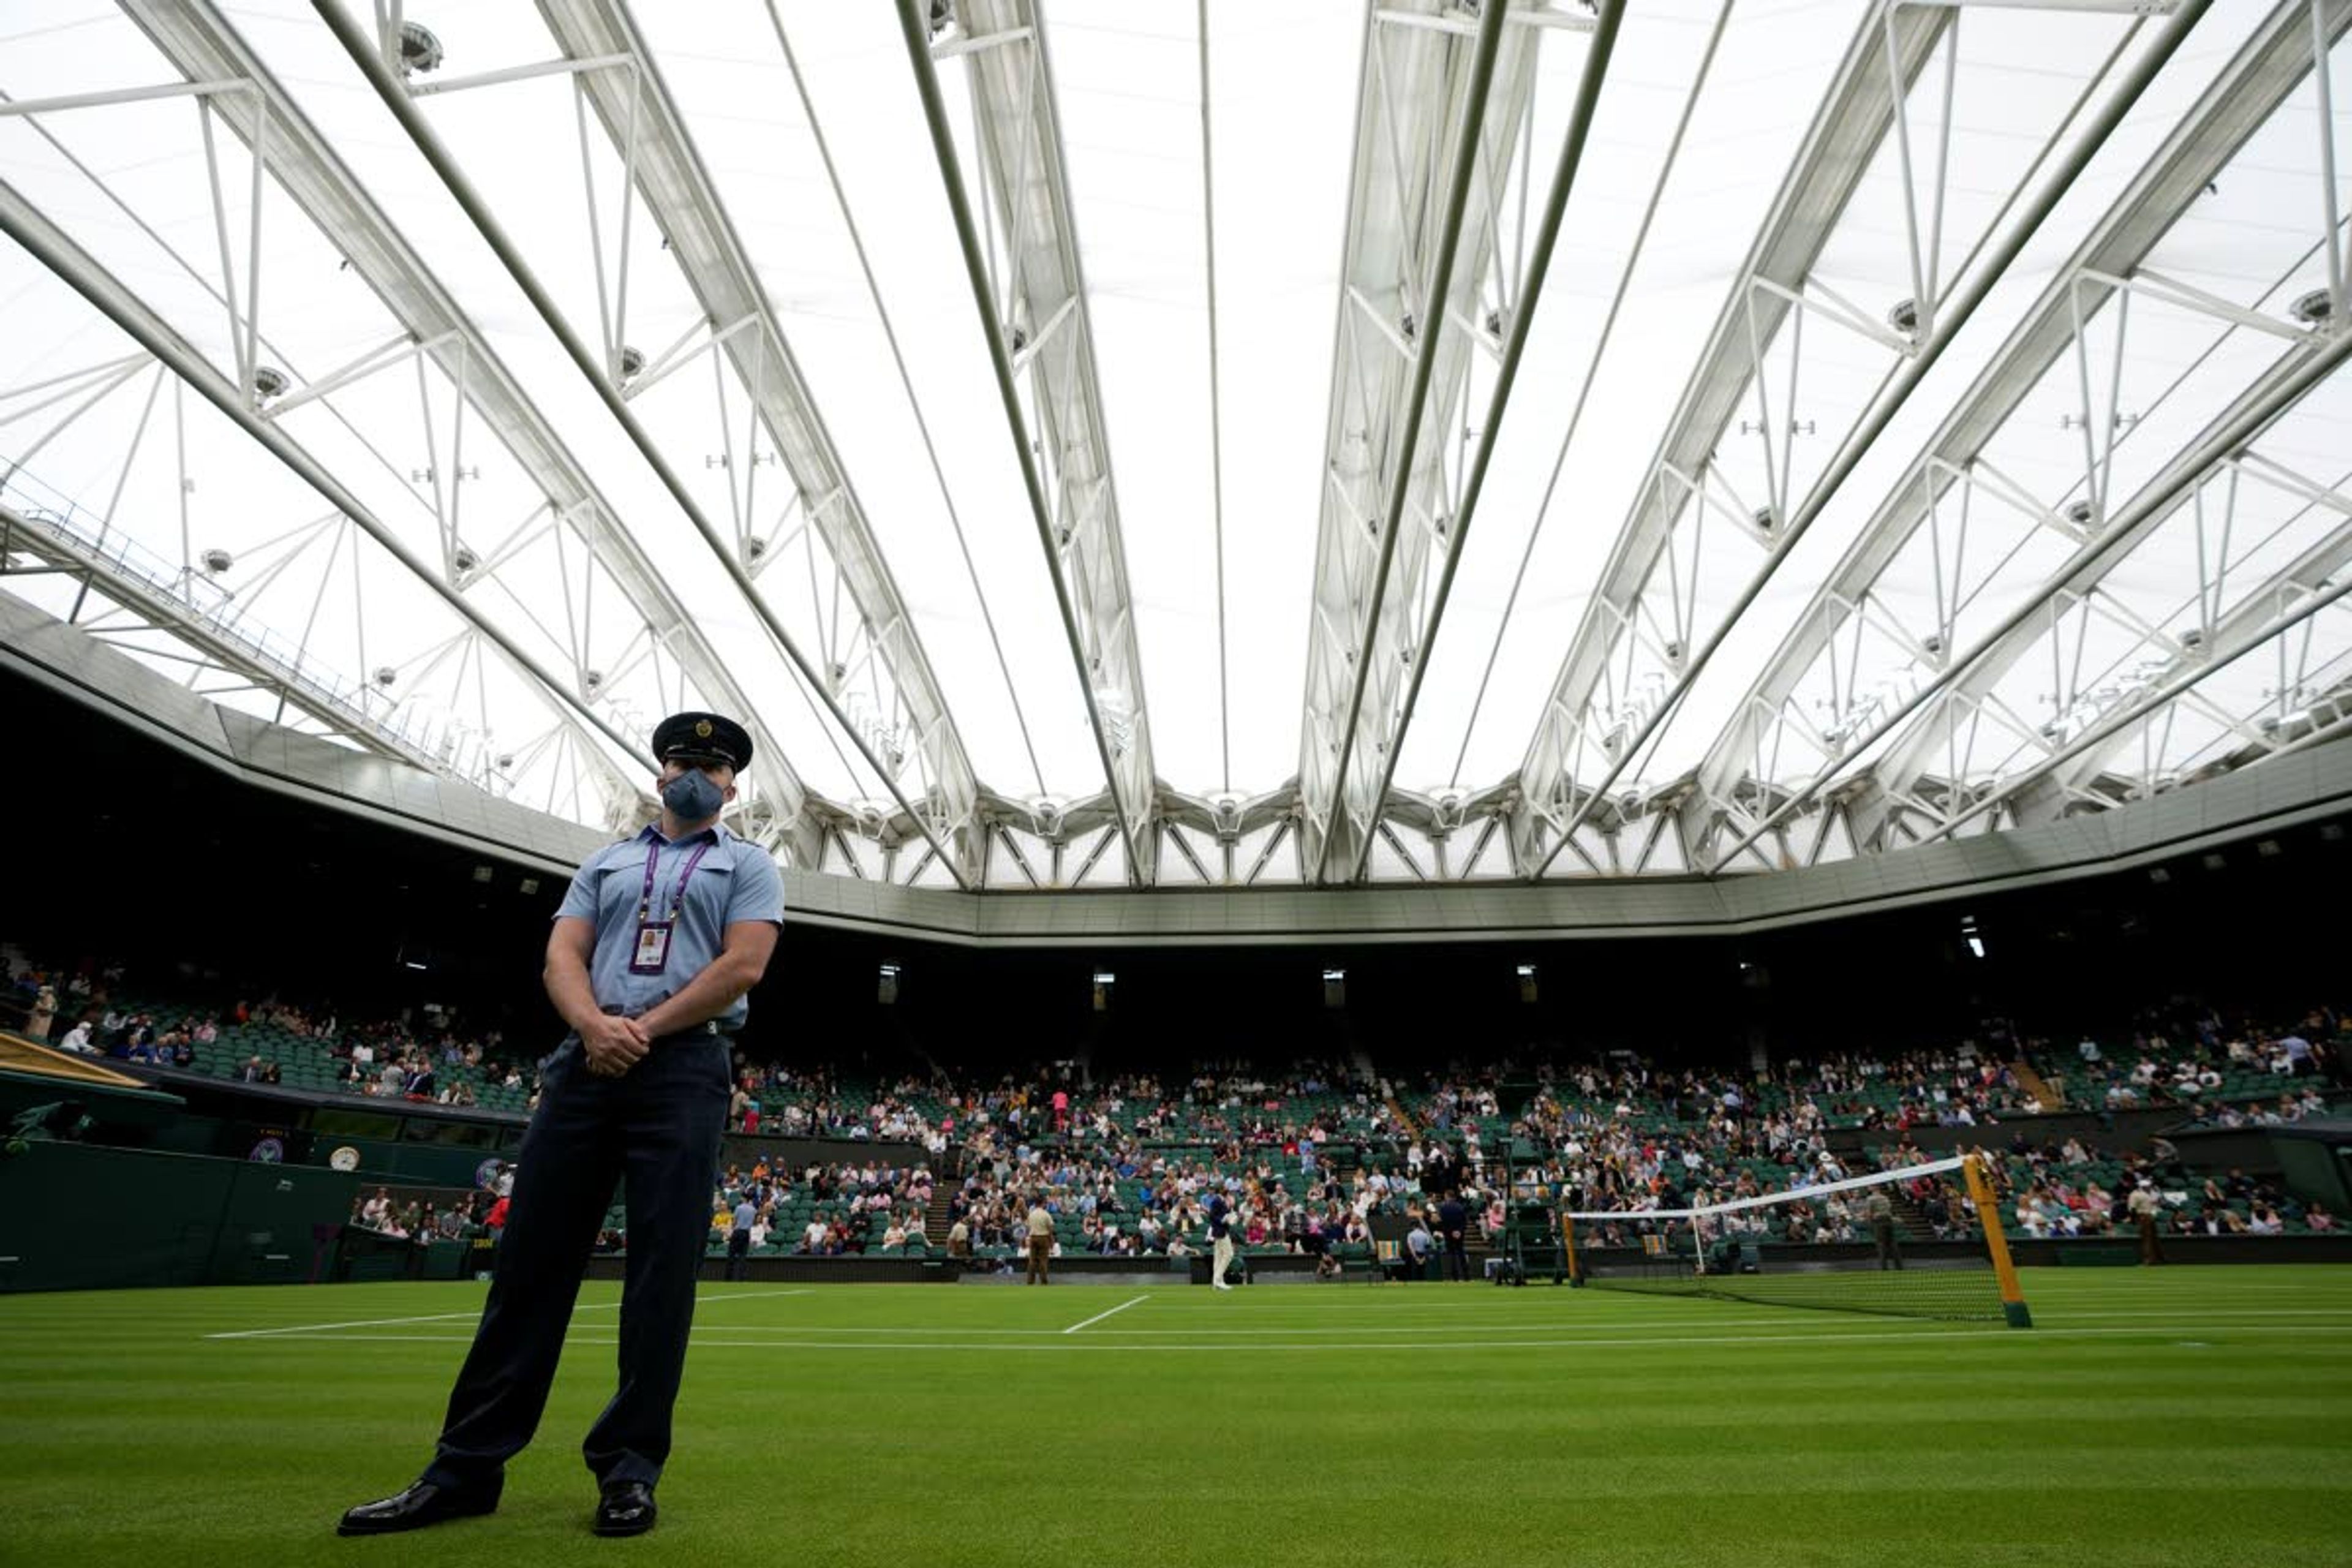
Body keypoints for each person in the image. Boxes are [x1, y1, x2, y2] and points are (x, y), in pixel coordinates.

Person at [340, 712, 782, 1540]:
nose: (695, 774)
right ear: (660, 775)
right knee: (530, 1268)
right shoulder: (605, 862)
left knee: (661, 1280)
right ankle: (465, 1469)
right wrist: (594, 1030)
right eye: (682, 760)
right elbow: (561, 959)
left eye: (710, 766)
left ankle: (628, 1472)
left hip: (684, 1067)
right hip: (585, 1066)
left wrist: (640, 1032)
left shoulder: (748, 865)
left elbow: (743, 967)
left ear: (732, 786)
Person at [1863, 1188, 1902, 1270]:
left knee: (1881, 1245)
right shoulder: (1885, 1198)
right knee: (1893, 1244)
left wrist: (1870, 1222)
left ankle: (1884, 1268)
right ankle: (1899, 1266)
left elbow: (1869, 1213)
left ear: (1872, 1190)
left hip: (1879, 1222)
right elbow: (1889, 1210)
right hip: (1888, 1221)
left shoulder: (1870, 1199)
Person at [1437, 1191, 1470, 1282]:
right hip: (1459, 1234)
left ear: (1447, 1196)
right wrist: (1459, 1231)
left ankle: (1455, 1277)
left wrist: (1451, 1232)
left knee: (1452, 1254)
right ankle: (1466, 1276)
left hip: (1449, 1234)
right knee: (1461, 1253)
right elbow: (1465, 1221)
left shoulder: (1443, 1208)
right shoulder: (1460, 1207)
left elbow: (1443, 1222)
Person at [725, 1192, 757, 1283]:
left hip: (738, 1232)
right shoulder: (753, 1210)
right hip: (746, 1233)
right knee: (743, 1256)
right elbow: (754, 1223)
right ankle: (742, 1277)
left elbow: (734, 1222)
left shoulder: (739, 1208)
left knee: (731, 1255)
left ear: (744, 1199)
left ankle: (728, 1277)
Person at [2128, 1182, 2163, 1264]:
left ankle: (2153, 1259)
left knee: (2150, 1239)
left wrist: (2133, 1220)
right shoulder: (2139, 1195)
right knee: (2149, 1239)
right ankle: (2152, 1259)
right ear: (2143, 1187)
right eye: (2147, 1186)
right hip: (2146, 1217)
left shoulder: (2141, 1195)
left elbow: (2134, 1209)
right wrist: (2134, 1220)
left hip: (2146, 1217)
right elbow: (2133, 1209)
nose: (2149, 1188)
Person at [1207, 1190, 1235, 1291]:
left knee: (1218, 1257)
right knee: (1229, 1254)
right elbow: (1211, 1215)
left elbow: (1224, 1214)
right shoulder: (1217, 1201)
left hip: (1222, 1230)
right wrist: (1222, 1220)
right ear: (1225, 1193)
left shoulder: (1222, 1201)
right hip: (1220, 1231)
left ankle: (1218, 1283)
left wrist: (1230, 1210)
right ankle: (1217, 1279)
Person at [1025, 1194, 1054, 1285]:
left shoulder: (1031, 1214)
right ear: (1043, 1203)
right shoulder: (1046, 1214)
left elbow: (1028, 1228)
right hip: (1043, 1238)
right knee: (1043, 1260)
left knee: (1032, 1261)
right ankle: (1044, 1281)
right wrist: (1051, 1240)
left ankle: (1030, 1281)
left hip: (1033, 1238)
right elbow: (1050, 1229)